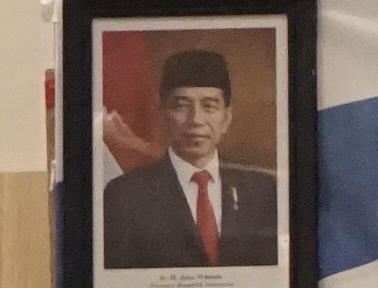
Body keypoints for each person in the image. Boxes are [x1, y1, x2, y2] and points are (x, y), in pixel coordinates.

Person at [101, 47, 283, 271]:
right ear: (162, 114)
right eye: (182, 105)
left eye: (209, 106)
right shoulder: (125, 195)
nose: (196, 119)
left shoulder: (263, 191)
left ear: (227, 118)